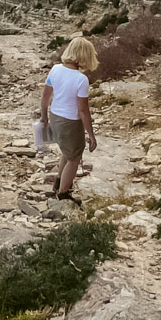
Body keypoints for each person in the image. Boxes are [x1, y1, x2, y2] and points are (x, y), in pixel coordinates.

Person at [40, 36, 98, 200]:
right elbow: (83, 111)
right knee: (74, 157)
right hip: (70, 122)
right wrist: (91, 135)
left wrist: (44, 117)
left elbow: (45, 97)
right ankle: (63, 194)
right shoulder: (81, 80)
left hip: (55, 116)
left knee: (66, 151)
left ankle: (58, 182)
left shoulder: (56, 69)